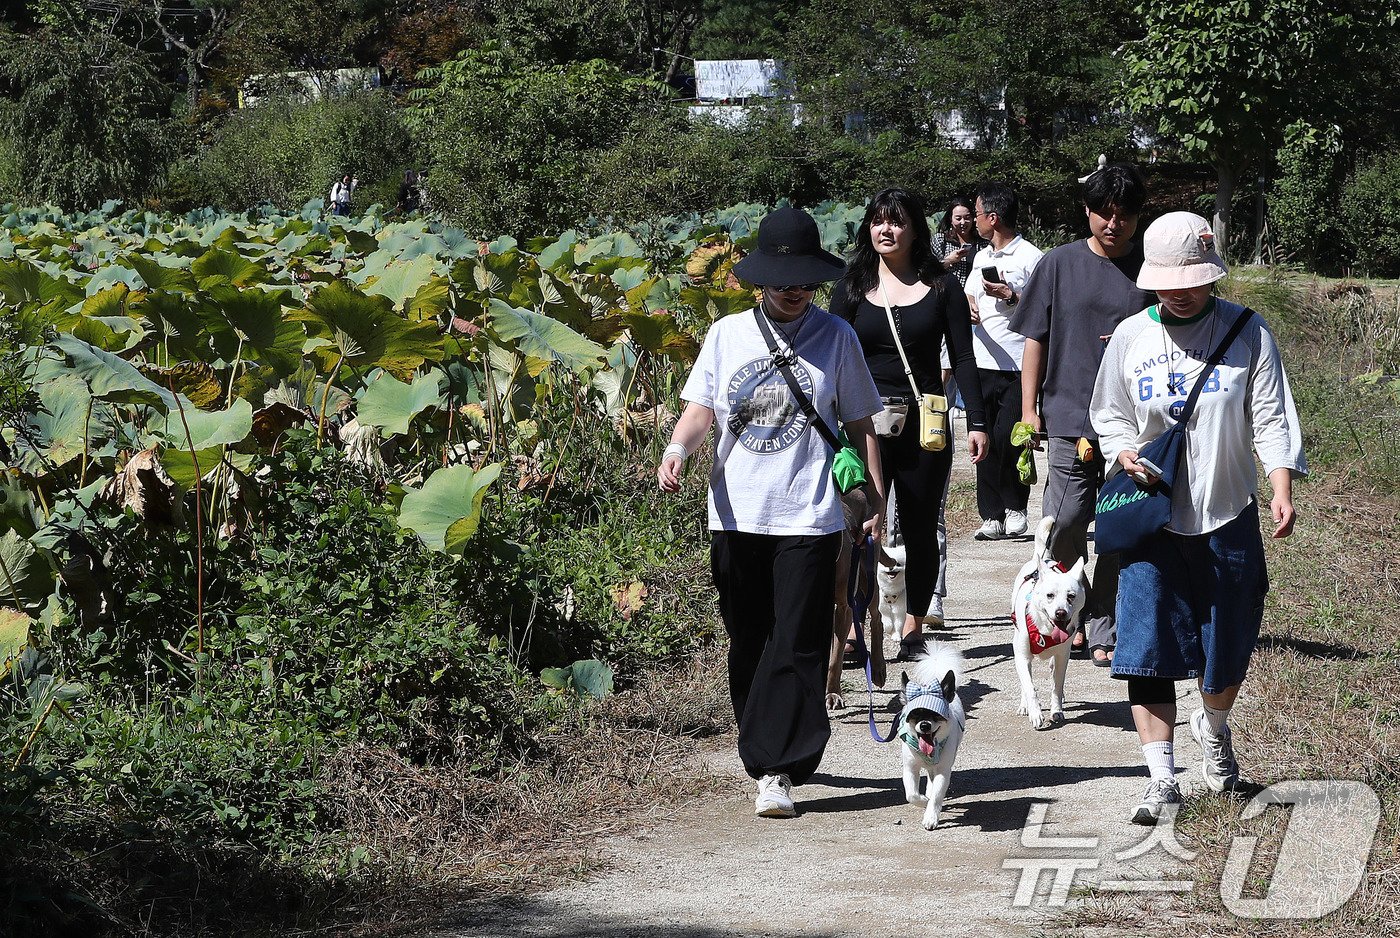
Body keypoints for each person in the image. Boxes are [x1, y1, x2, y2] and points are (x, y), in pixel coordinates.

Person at [657, 207, 886, 819]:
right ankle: (767, 738)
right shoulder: (727, 334)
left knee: (796, 638)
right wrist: (678, 449)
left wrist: (873, 498)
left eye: (805, 282)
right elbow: (702, 408)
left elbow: (861, 424)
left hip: (807, 513)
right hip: (736, 511)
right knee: (749, 636)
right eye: (783, 281)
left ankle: (776, 765)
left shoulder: (837, 337)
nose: (793, 292)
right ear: (761, 280)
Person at [1089, 211, 1306, 824]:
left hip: (1228, 510)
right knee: (1147, 645)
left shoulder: (1248, 332)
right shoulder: (1131, 336)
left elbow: (1271, 415)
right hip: (1153, 519)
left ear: (1212, 275)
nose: (1179, 290)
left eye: (1191, 277)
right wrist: (1122, 452)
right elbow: (1108, 415)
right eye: (1165, 280)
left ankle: (1213, 728)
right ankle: (1160, 778)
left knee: (1228, 641)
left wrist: (1280, 485)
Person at [829, 189, 987, 658]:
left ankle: (913, 623)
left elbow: (962, 357)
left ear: (916, 228)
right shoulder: (853, 285)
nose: (886, 230)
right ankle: (859, 621)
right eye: (878, 221)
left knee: (919, 526)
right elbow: (829, 353)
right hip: (862, 423)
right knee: (859, 523)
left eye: (896, 222)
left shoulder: (942, 287)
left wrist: (977, 421)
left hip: (924, 424)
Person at [1011, 161, 1154, 664]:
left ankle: (1101, 627)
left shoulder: (1151, 270)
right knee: (1066, 519)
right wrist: (1029, 411)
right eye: (1103, 213)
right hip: (1068, 416)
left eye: (1124, 215)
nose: (1113, 224)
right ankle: (1064, 610)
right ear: (1087, 211)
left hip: (1132, 425)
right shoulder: (1058, 264)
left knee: (1118, 525)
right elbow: (1035, 339)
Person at [965, 183, 1043, 540]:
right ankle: (991, 514)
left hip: (1017, 364)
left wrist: (1011, 295)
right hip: (981, 360)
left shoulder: (1031, 257)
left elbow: (1045, 308)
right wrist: (968, 302)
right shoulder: (981, 257)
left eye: (977, 214)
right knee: (983, 438)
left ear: (993, 218)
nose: (974, 220)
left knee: (1009, 437)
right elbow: (968, 290)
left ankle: (1015, 506)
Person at [931, 197, 987, 287]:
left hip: (975, 296)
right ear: (951, 219)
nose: (963, 222)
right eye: (958, 218)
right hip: (948, 295)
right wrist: (949, 260)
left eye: (967, 218)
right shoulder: (941, 240)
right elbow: (931, 271)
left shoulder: (983, 243)